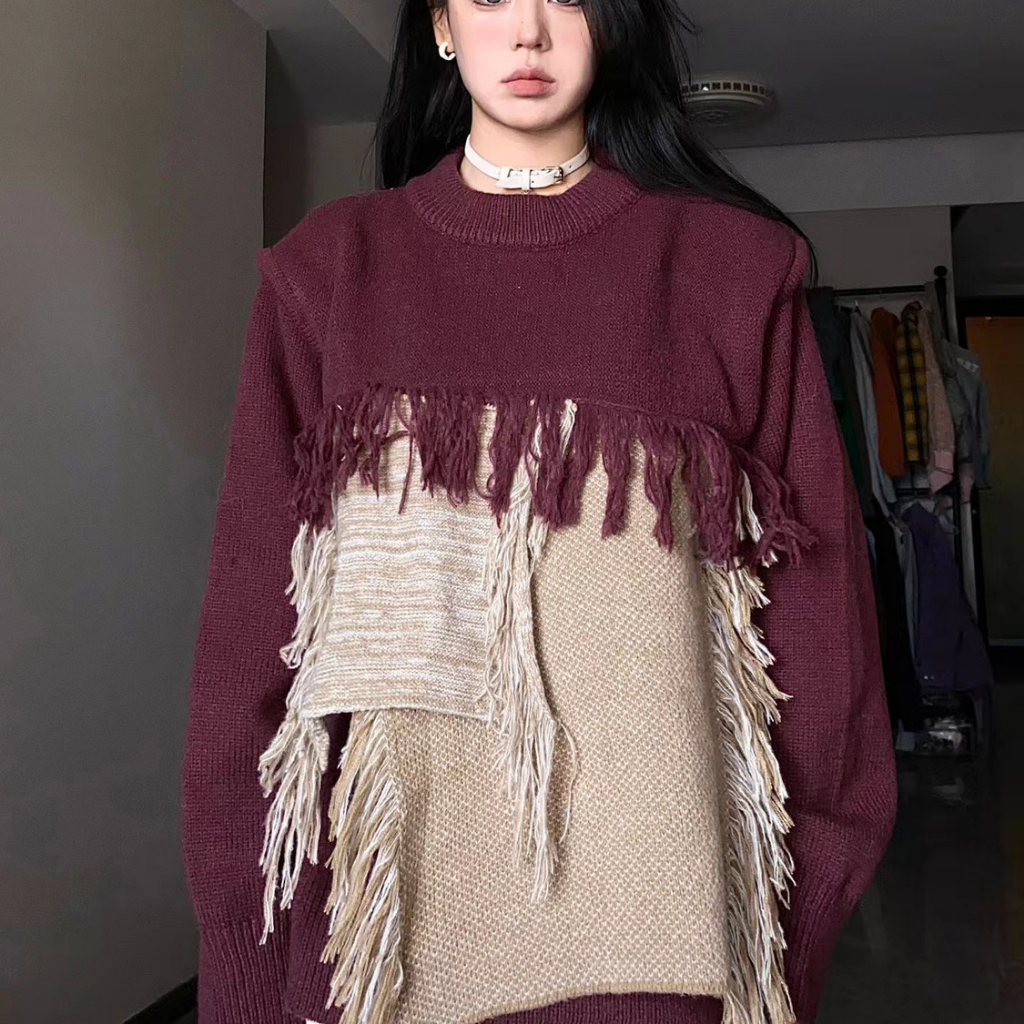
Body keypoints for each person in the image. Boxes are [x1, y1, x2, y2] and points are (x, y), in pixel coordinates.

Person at [180, 1, 897, 1022]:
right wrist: (249, 956)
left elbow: (823, 641)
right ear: (440, 25)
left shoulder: (730, 271)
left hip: (661, 941)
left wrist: (796, 923)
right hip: (379, 948)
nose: (527, 31)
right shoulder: (330, 272)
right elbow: (253, 634)